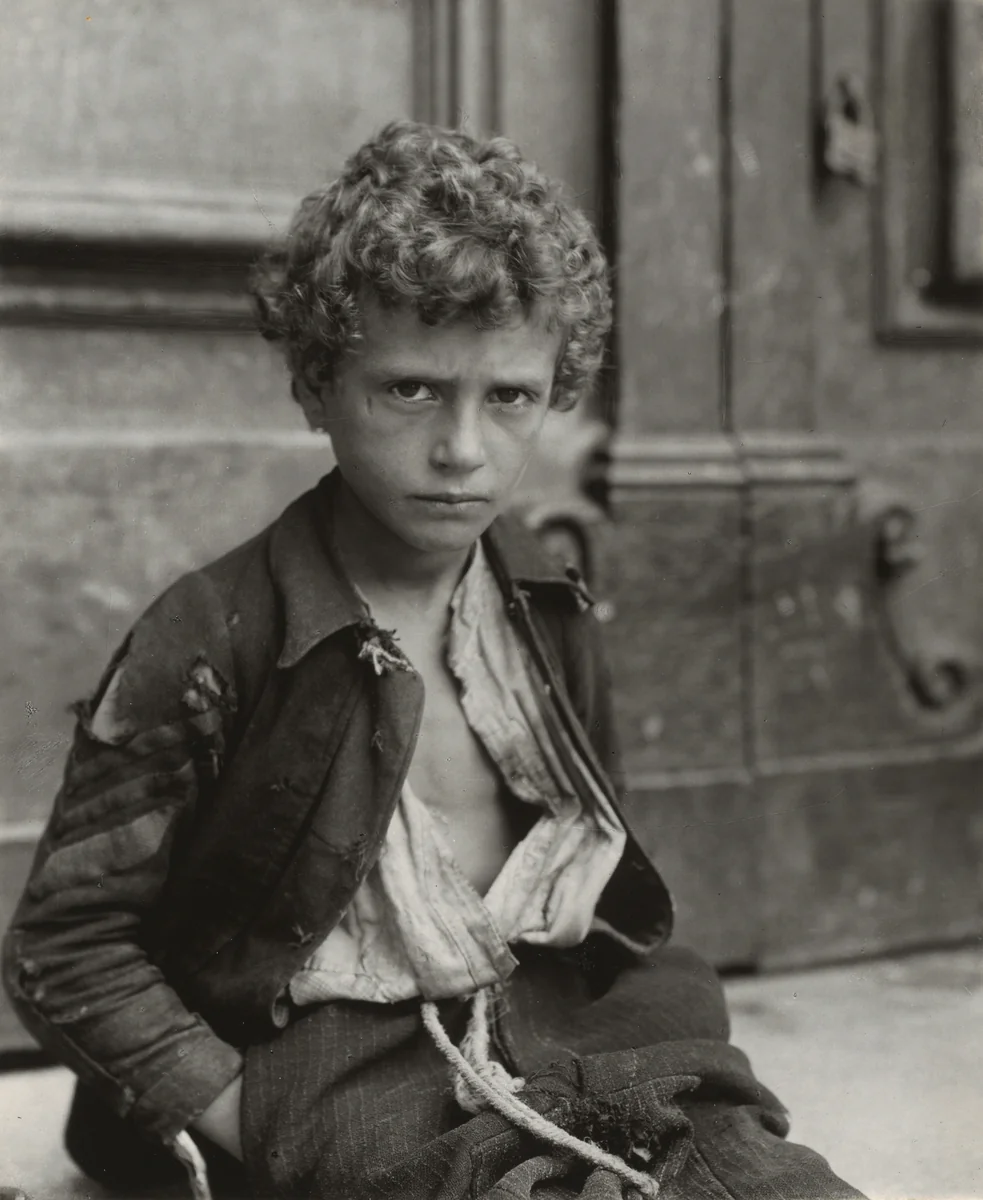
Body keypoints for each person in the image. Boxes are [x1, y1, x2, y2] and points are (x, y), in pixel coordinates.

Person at [2, 121, 864, 1200]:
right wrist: (248, 1124)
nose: (461, 451)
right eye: (409, 391)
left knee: (763, 1180)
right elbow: (63, 948)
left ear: (552, 391)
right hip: (311, 1050)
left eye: (507, 397)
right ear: (316, 382)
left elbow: (592, 875)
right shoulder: (211, 634)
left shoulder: (543, 597)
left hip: (553, 1010)